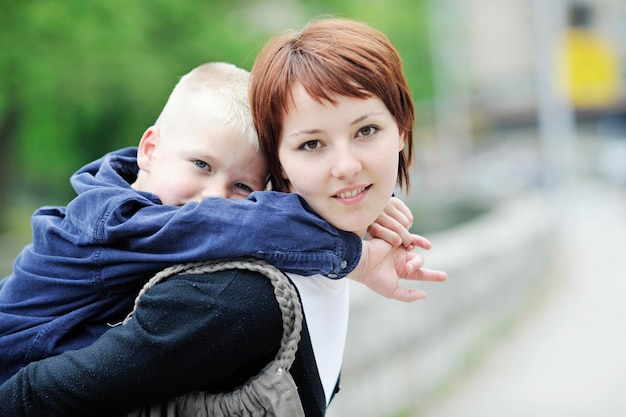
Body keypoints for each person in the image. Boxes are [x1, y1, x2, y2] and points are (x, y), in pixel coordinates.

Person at [0, 17, 447, 416]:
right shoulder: (131, 234)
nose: (215, 200)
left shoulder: (285, 264)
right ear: (150, 150)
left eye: (366, 130)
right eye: (312, 143)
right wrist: (356, 257)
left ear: (403, 130)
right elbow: (33, 394)